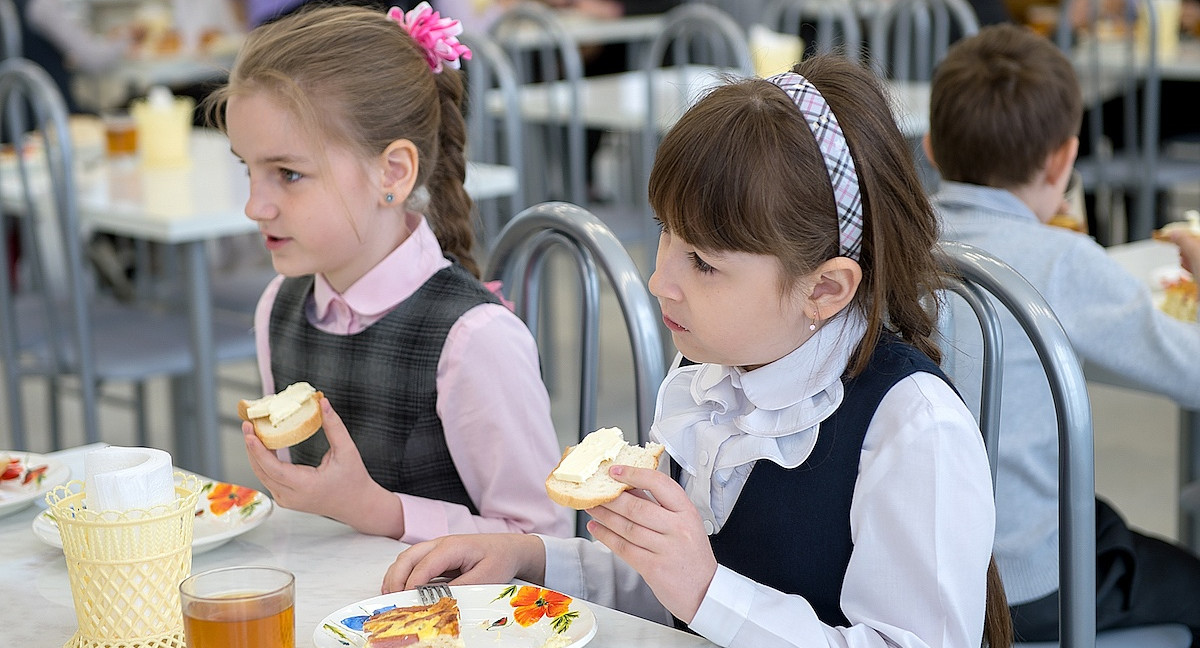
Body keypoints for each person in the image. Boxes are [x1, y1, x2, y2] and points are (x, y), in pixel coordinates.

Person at [383, 54, 1011, 648]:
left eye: (704, 263)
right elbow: (666, 584)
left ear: (824, 289)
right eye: (666, 233)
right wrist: (531, 560)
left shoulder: (912, 426)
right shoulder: (711, 371)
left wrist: (709, 592)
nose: (659, 280)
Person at [202, 3, 572, 542]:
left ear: (392, 173)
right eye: (248, 168)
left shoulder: (475, 341)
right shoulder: (279, 304)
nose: (254, 206)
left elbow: (545, 544)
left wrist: (376, 510)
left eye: (288, 173)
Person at [926, 23, 1200, 644]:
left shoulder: (897, 243)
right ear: (1064, 159)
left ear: (933, 149)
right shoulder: (1062, 262)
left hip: (911, 564)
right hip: (1022, 585)